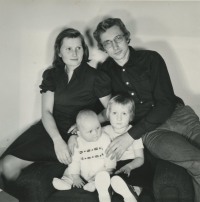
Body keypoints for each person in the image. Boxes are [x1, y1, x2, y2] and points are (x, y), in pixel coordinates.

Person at [93, 18, 200, 202]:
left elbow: (165, 103)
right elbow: (110, 109)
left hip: (180, 116)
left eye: (118, 38)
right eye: (108, 43)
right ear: (103, 47)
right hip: (152, 132)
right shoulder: (105, 73)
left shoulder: (151, 58)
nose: (115, 46)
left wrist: (129, 136)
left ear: (126, 37)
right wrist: (86, 123)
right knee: (197, 163)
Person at [0, 28, 111, 186]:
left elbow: (110, 111)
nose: (74, 53)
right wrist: (57, 141)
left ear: (84, 50)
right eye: (68, 49)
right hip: (50, 128)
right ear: (59, 52)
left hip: (75, 134)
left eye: (78, 48)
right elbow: (46, 112)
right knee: (4, 165)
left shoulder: (96, 77)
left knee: (9, 165)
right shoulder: (52, 75)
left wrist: (86, 125)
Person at [53, 109, 116, 202]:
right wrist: (75, 176)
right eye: (90, 131)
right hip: (81, 171)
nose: (95, 133)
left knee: (103, 174)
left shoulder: (104, 138)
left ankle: (94, 184)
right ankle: (65, 181)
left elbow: (110, 155)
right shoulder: (77, 142)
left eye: (98, 128)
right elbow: (75, 161)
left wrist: (110, 169)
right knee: (70, 170)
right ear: (79, 133)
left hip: (98, 170)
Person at [103, 94, 144, 202]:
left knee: (139, 175)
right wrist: (74, 137)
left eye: (124, 113)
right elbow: (88, 134)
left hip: (132, 164)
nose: (119, 118)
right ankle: (109, 191)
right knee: (109, 176)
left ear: (130, 116)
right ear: (108, 114)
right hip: (112, 166)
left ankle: (134, 192)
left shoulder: (134, 133)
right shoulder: (103, 130)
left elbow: (140, 158)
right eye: (114, 113)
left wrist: (129, 166)